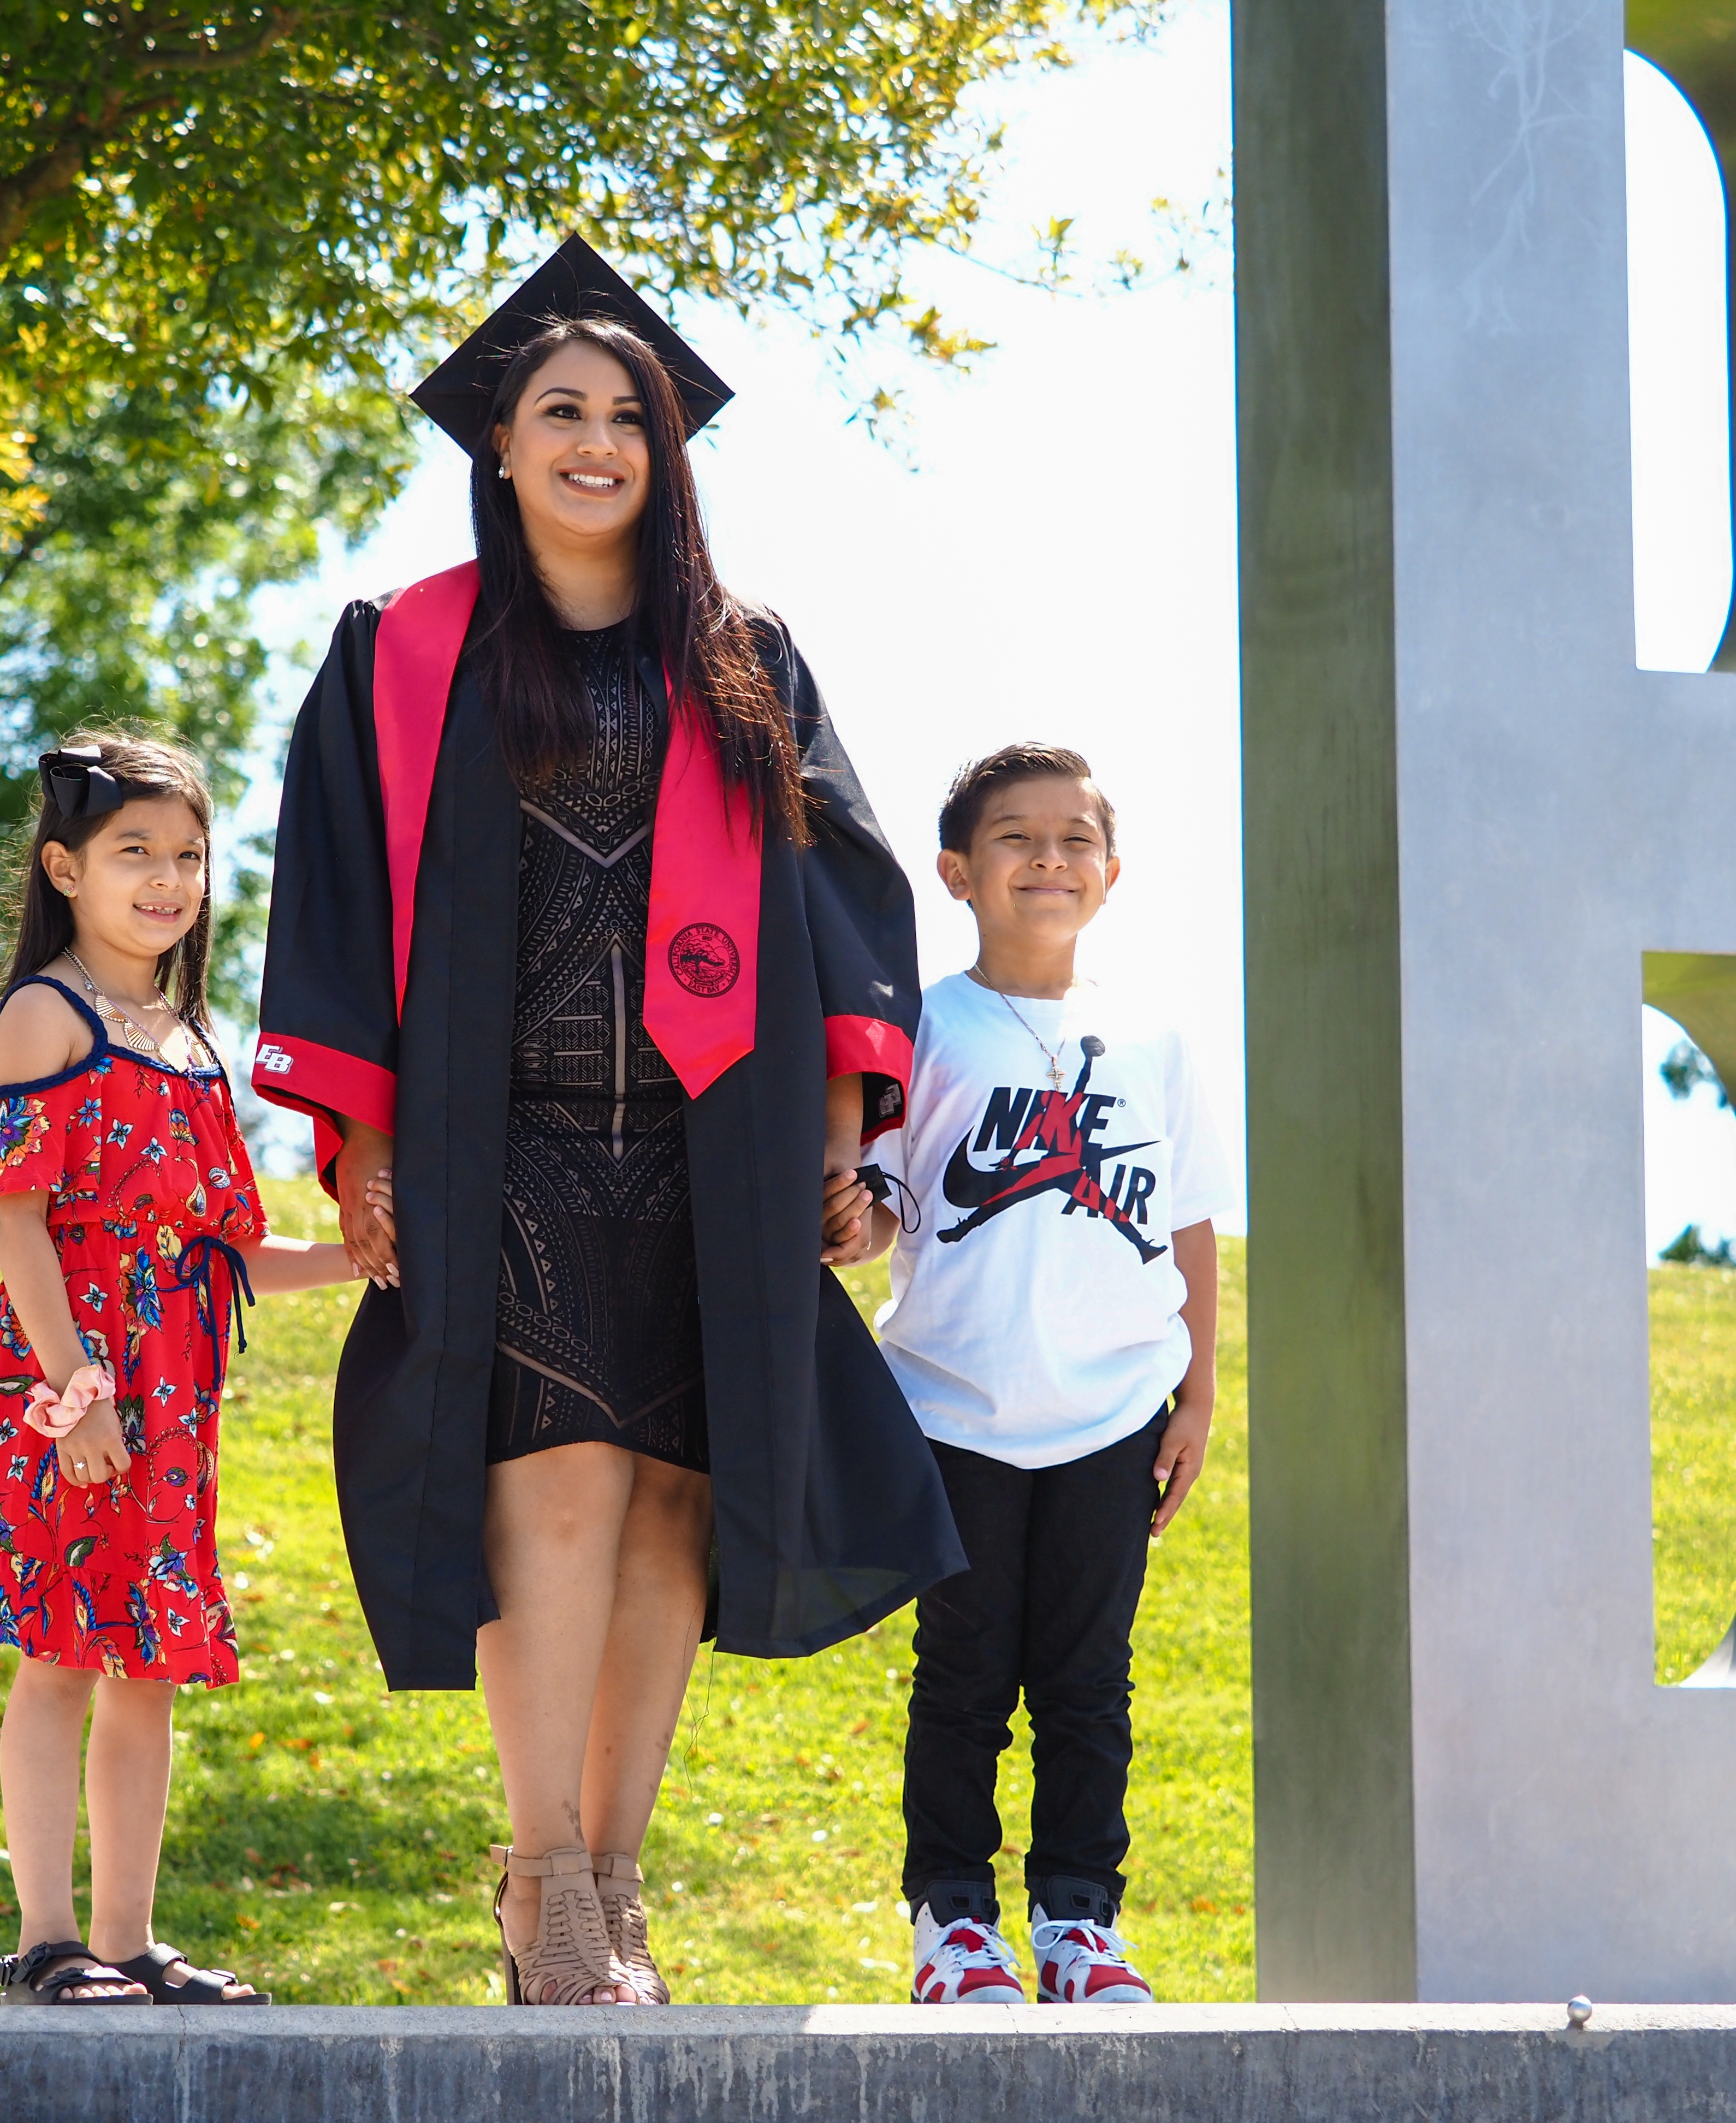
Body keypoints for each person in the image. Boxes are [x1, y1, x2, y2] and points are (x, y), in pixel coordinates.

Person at [255, 237, 963, 2007]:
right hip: (501, 1142)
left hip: (703, 1140)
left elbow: (843, 895)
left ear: (664, 455)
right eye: (555, 412)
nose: (591, 443)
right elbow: (337, 895)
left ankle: (617, 1875)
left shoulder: (739, 660)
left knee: (666, 1506)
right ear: (497, 444)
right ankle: (541, 1871)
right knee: (550, 1488)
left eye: (623, 419)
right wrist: (362, 1142)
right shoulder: (406, 651)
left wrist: (839, 1121)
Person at [0, 732, 366, 2009]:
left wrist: (359, 1258)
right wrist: (80, 1395)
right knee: (56, 1653)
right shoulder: (46, 1015)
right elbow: (21, 1223)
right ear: (64, 868)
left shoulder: (191, 1040)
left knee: (147, 1665)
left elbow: (226, 1256)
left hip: (172, 1399)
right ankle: (46, 1941)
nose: (166, 880)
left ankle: (128, 1942)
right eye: (133, 854)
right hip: (71, 1396)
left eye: (187, 857)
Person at [838, 743, 1235, 2008]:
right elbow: (887, 1203)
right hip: (956, 1407)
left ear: (1111, 874)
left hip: (1115, 1411)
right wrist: (850, 1218)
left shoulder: (1156, 1033)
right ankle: (953, 1923)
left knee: (1086, 1680)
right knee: (963, 1676)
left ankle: (1079, 1923)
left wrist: (1203, 1391)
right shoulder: (924, 1024)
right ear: (956, 871)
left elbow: (1189, 1222)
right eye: (1015, 838)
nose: (1048, 859)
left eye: (1074, 839)